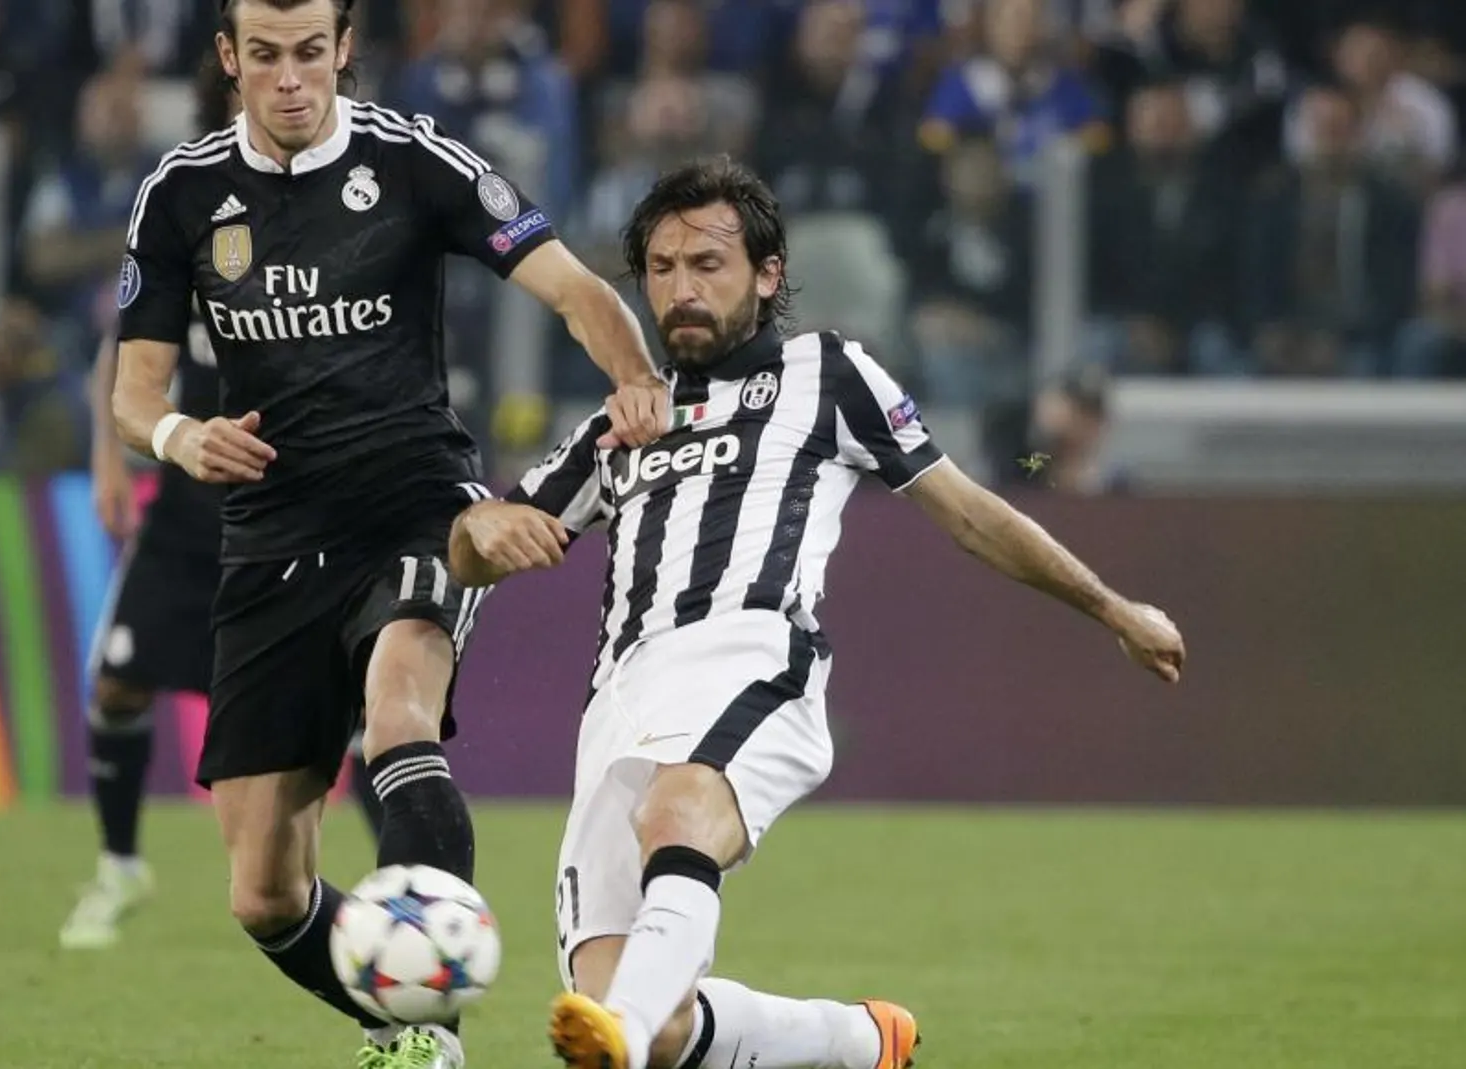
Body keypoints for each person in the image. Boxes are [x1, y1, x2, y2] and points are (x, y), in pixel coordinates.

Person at [446, 156, 1187, 1069]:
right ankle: (850, 1039)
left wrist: (1112, 605)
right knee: (641, 1003)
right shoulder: (622, 424)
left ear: (767, 274)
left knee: (676, 830)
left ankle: (623, 1040)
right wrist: (485, 525)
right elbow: (479, 543)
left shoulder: (827, 373)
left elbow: (968, 510)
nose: (682, 288)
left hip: (756, 659)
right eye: (664, 269)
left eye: (707, 265)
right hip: (620, 701)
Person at [110, 1, 669, 1067]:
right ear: (228, 57)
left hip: (419, 502)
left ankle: (431, 1013)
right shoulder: (179, 194)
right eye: (264, 56)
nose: (289, 80)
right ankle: (401, 1016)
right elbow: (134, 397)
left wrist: (637, 382)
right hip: (270, 533)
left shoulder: (416, 164)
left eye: (309, 54)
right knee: (263, 893)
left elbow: (574, 289)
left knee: (398, 711)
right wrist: (184, 436)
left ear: (343, 49)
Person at [60, 53, 387, 952]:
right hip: (190, 486)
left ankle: (405, 885)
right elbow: (125, 347)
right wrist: (110, 459)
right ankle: (120, 866)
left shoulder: (343, 201)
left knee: (355, 714)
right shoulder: (183, 197)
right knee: (119, 679)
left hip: (301, 498)